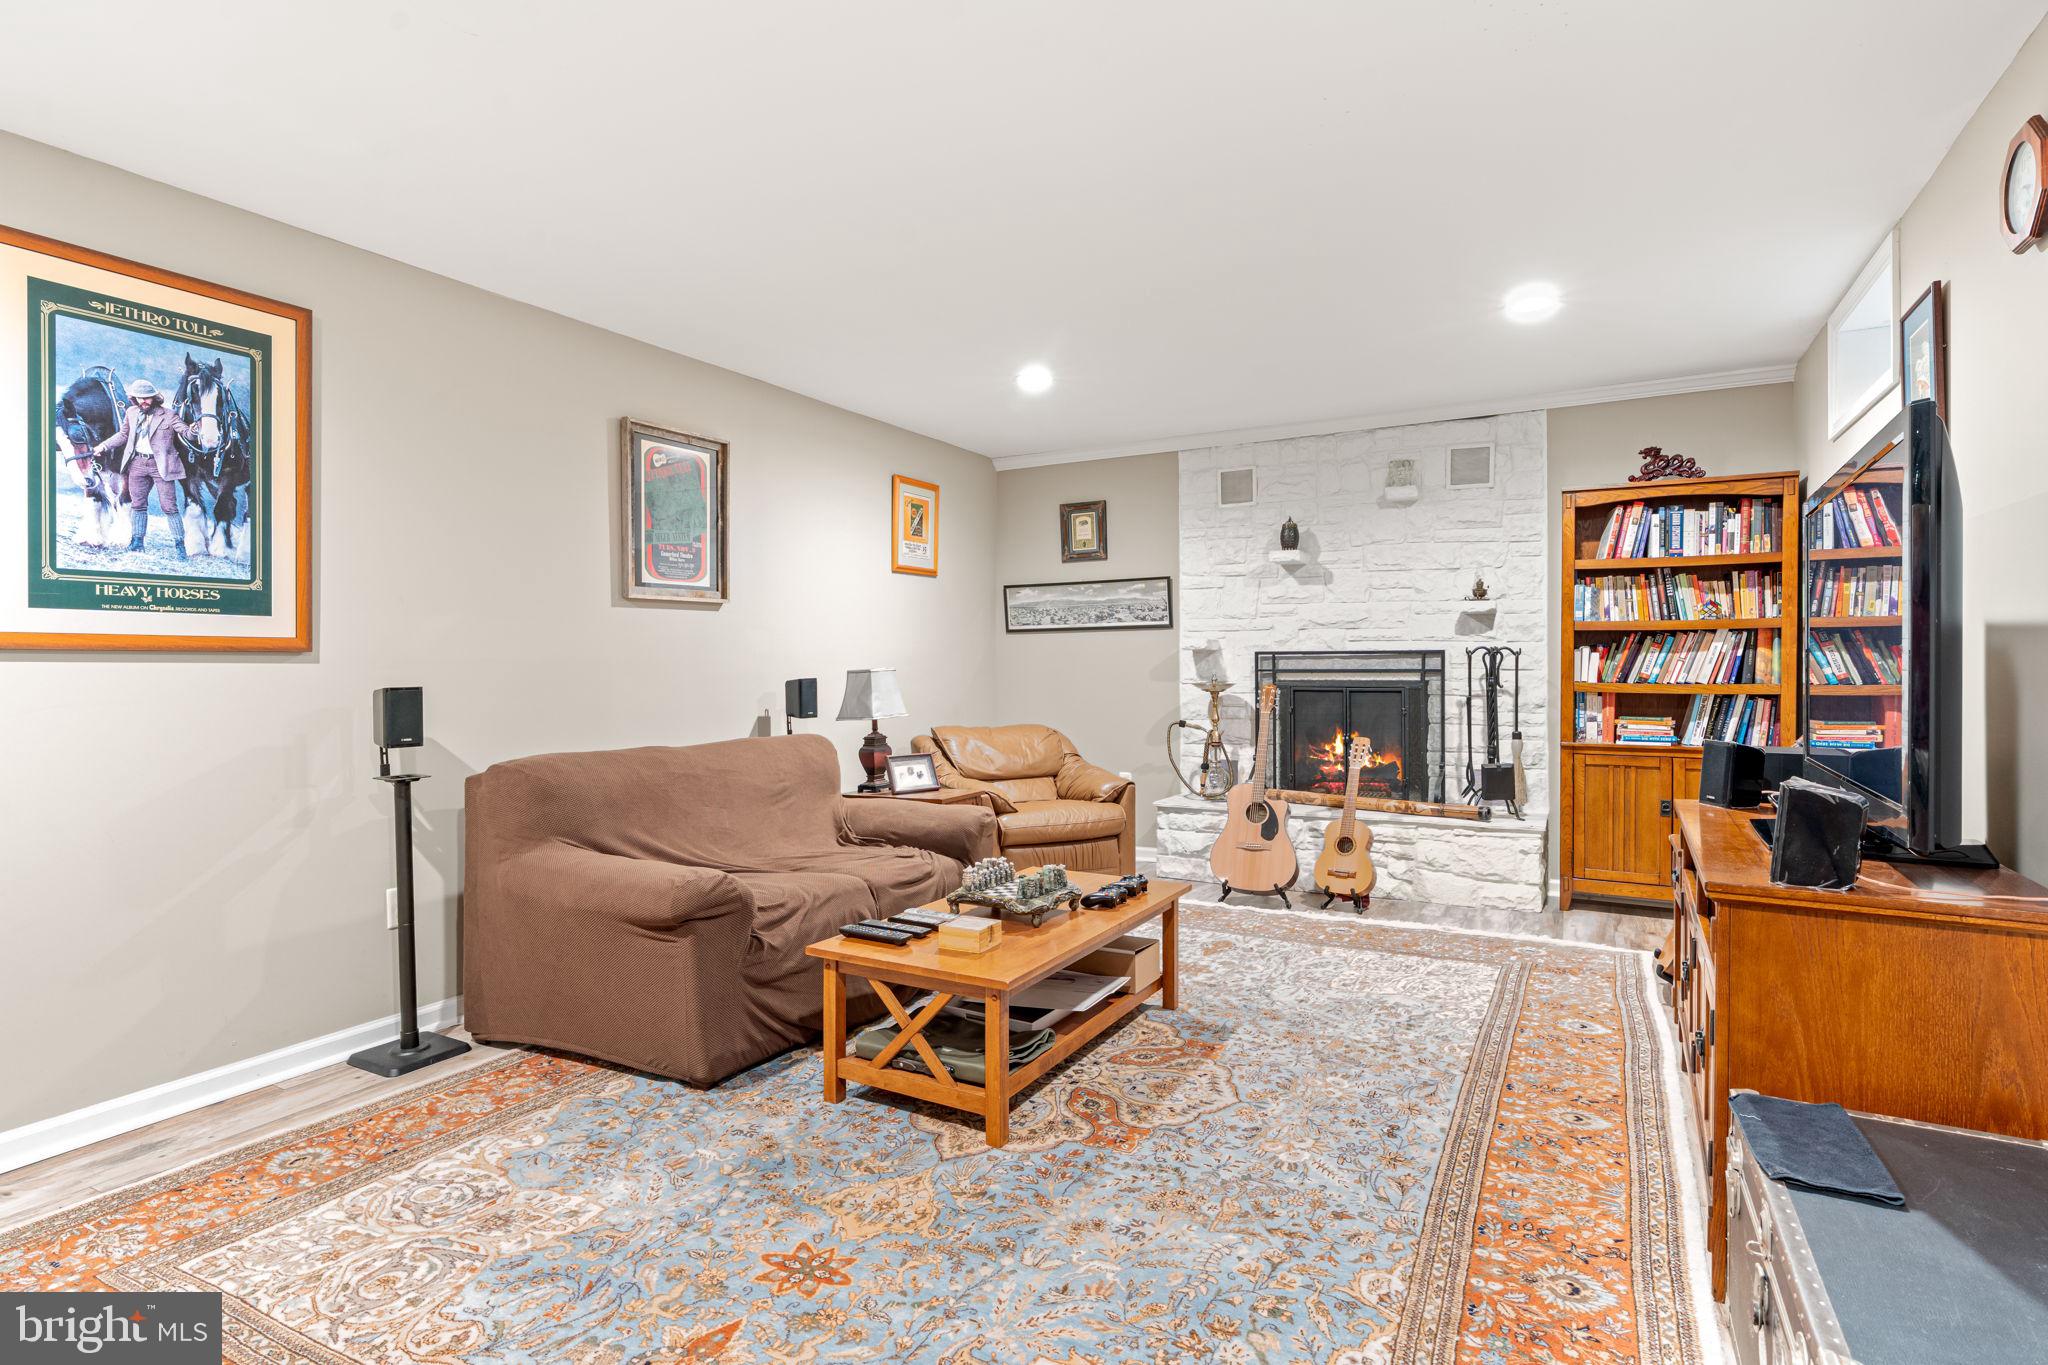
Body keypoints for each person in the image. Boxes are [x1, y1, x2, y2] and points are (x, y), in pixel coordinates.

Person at [94, 378, 198, 556]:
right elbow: (123, 435)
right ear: (134, 398)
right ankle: (137, 542)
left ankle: (180, 546)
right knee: (138, 505)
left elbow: (186, 433)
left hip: (162, 466)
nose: (143, 401)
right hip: (137, 464)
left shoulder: (169, 414)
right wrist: (103, 446)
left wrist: (194, 430)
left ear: (155, 398)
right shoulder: (131, 412)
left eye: (147, 398)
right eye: (139, 398)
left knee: (169, 507)